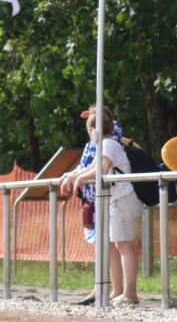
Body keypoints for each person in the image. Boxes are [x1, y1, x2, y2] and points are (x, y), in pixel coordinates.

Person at [60, 107, 141, 306]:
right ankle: (119, 291)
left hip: (121, 200)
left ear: (92, 130)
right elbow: (91, 167)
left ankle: (130, 293)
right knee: (116, 245)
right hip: (114, 200)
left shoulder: (108, 144)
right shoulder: (104, 144)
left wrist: (79, 179)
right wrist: (73, 177)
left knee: (124, 246)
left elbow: (101, 168)